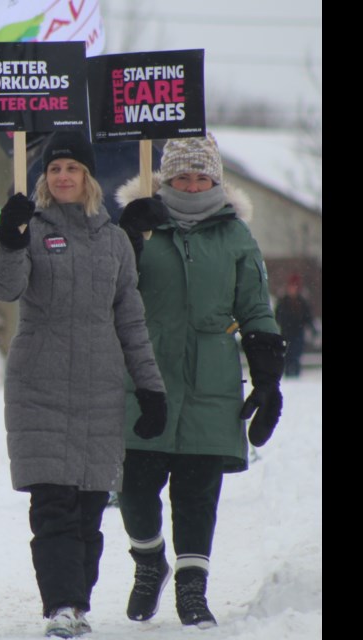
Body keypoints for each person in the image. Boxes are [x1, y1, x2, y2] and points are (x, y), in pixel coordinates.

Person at [0, 131, 166, 639]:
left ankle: (78, 604)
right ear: (44, 177)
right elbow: (6, 287)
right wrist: (10, 238)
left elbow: (131, 322)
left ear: (88, 177)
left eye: (72, 168)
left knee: (88, 509)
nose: (62, 176)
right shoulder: (30, 226)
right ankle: (61, 607)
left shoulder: (112, 240)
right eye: (54, 168)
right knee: (52, 505)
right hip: (38, 385)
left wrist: (150, 388)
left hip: (99, 388)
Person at [116, 133, 286, 628]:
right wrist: (126, 237)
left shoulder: (235, 235)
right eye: (181, 177)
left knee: (197, 492)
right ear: (165, 180)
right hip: (143, 374)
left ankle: (192, 588)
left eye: (201, 176)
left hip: (211, 378)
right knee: (133, 484)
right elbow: (110, 289)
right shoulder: (143, 226)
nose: (192, 186)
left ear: (216, 179)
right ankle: (149, 564)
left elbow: (254, 306)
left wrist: (268, 374)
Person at [275, 273, 316, 377]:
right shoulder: (283, 301)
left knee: (296, 354)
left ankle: (296, 373)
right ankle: (288, 373)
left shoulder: (302, 302)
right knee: (288, 355)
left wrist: (313, 330)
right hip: (286, 332)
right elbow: (278, 316)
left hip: (298, 333)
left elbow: (308, 318)